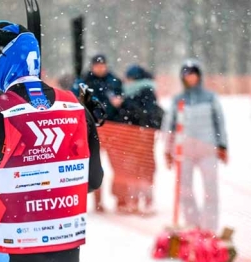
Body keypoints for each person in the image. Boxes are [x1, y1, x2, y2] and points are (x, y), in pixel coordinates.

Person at [0, 21, 103, 262]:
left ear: (2, 65)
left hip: (15, 254)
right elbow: (93, 180)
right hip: (65, 253)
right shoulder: (75, 107)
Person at [163, 59, 228, 232]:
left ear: (199, 76)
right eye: (187, 74)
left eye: (193, 74)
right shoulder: (178, 100)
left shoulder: (210, 98)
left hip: (208, 150)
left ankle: (210, 229)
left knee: (211, 190)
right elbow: (169, 126)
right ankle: (193, 226)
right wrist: (167, 151)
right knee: (185, 190)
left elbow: (219, 122)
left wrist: (223, 146)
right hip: (184, 152)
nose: (190, 78)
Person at [110, 64, 164, 214]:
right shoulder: (129, 92)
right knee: (134, 169)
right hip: (133, 138)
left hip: (142, 137)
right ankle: (134, 200)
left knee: (144, 168)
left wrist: (123, 104)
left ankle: (146, 201)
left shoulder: (145, 91)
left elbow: (144, 113)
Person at [82, 54, 123, 212]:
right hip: (93, 131)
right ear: (92, 66)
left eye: (102, 65)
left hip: (115, 129)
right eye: (97, 65)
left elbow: (121, 100)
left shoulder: (114, 81)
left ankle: (121, 199)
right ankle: (98, 202)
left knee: (117, 166)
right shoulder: (85, 82)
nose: (100, 68)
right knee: (95, 166)